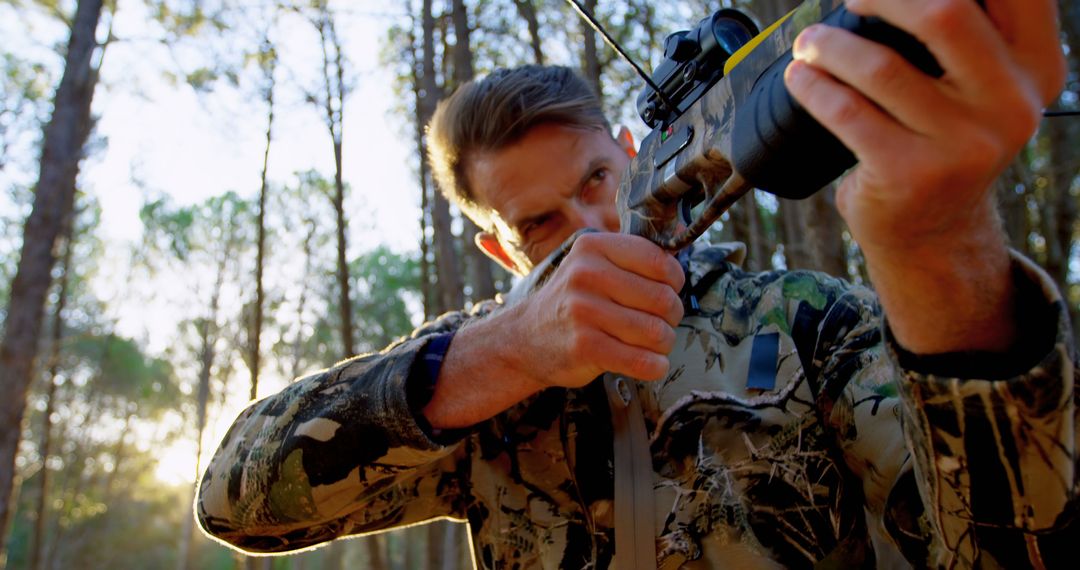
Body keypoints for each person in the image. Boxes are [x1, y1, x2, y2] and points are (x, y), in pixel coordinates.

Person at [196, 0, 1076, 567]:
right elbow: (237, 503)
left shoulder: (806, 322)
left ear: (627, 157)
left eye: (592, 183)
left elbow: (1017, 549)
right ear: (504, 255)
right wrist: (506, 355)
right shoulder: (471, 380)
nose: (587, 228)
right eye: (539, 223)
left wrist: (933, 246)